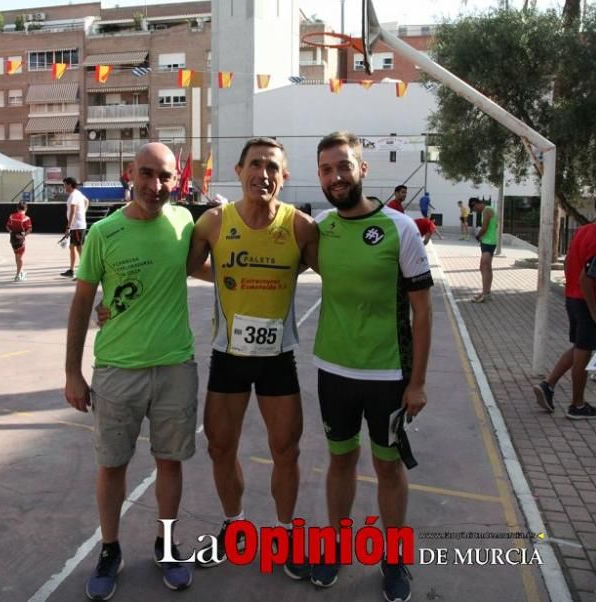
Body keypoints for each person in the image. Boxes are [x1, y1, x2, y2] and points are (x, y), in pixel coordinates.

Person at [65, 143, 199, 600]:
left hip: (175, 367)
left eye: (164, 177)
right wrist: (72, 373)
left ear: (177, 179)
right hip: (117, 371)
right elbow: (83, 303)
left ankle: (166, 544)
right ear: (129, 173)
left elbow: (212, 265)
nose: (154, 185)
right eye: (146, 174)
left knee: (169, 462)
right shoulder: (104, 233)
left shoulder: (184, 223)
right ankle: (110, 549)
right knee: (112, 465)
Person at [184, 137, 319, 580]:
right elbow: (178, 267)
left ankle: (283, 533)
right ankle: (235, 524)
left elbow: (339, 274)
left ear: (284, 177)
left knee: (286, 449)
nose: (263, 173)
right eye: (255, 164)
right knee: (220, 447)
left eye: (272, 167)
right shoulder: (212, 223)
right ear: (239, 170)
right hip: (229, 356)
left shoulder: (300, 227)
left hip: (278, 358)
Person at [309, 131, 432, 602]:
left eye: (343, 166)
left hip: (388, 376)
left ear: (363, 170)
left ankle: (394, 557)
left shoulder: (399, 228)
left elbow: (423, 310)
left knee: (388, 467)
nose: (336, 176)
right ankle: (335, 546)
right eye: (326, 169)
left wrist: (417, 383)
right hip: (334, 371)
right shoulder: (320, 228)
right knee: (340, 460)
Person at [533, 194, 596, 420]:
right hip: (587, 303)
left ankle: (548, 385)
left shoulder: (582, 232)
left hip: (573, 298)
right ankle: (577, 404)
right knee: (583, 355)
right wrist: (595, 311)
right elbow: (588, 278)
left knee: (578, 348)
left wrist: (573, 289)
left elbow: (568, 264)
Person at [468, 197, 497, 303]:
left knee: (484, 267)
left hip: (489, 242)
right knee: (485, 267)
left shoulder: (487, 210)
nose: (475, 211)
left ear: (475, 204)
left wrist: (477, 236)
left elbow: (484, 228)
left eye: (474, 209)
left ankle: (486, 294)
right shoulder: (489, 209)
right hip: (487, 242)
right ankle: (486, 292)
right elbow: (495, 225)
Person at [61, 176, 89, 278]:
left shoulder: (74, 195)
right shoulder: (78, 193)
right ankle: (71, 270)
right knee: (72, 247)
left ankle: (84, 272)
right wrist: (83, 212)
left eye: (65, 185)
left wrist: (68, 227)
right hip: (77, 225)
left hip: (77, 226)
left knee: (79, 248)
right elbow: (86, 201)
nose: (64, 187)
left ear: (69, 185)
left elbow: (73, 211)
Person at [6, 202, 33, 282]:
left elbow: (7, 226)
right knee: (20, 257)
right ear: (26, 209)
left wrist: (11, 232)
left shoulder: (11, 216)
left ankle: (20, 271)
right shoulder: (26, 218)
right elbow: (29, 229)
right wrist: (23, 235)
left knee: (17, 255)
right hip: (20, 239)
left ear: (17, 208)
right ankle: (18, 275)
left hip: (13, 239)